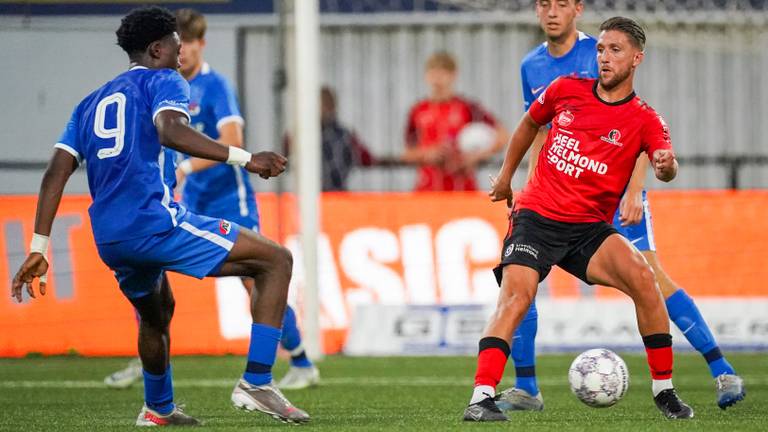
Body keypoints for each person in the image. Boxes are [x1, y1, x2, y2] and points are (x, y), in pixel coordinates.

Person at [11, 6, 309, 425]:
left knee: (157, 310)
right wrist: (246, 159)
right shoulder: (165, 79)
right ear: (157, 49)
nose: (181, 48)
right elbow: (171, 130)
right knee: (276, 260)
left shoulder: (89, 102)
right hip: (154, 223)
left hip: (111, 240)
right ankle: (257, 381)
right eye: (175, 40)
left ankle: (158, 408)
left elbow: (55, 172)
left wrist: (39, 246)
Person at [494, 0, 744, 413]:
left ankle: (721, 367)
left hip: (614, 190)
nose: (551, 12)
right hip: (558, 191)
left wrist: (634, 189)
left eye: (561, 4)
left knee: (650, 277)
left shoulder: (603, 50)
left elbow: (632, 121)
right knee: (521, 283)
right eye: (543, 4)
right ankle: (526, 387)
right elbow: (539, 129)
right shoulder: (531, 66)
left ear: (577, 9)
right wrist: (526, 186)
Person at [463, 17, 693, 421]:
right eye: (601, 49)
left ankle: (664, 391)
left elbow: (666, 167)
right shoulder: (565, 90)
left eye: (615, 50)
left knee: (644, 278)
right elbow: (528, 125)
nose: (604, 58)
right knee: (517, 297)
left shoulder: (646, 120)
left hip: (588, 228)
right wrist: (505, 177)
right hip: (537, 216)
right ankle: (481, 398)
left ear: (637, 58)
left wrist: (666, 165)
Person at [103, 8, 320, 393]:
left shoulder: (214, 86)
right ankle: (145, 363)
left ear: (201, 44)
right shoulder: (157, 84)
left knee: (258, 279)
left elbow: (233, 138)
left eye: (188, 44)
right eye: (176, 43)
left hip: (228, 200)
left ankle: (300, 359)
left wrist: (186, 168)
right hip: (181, 204)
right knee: (150, 281)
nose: (181, 51)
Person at [402, 51, 508, 191]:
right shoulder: (418, 110)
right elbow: (407, 154)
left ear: (453, 75)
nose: (437, 79)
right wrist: (427, 154)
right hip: (427, 190)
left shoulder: (468, 107)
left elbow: (503, 136)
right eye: (433, 73)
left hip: (462, 189)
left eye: (442, 74)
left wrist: (475, 157)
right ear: (426, 76)